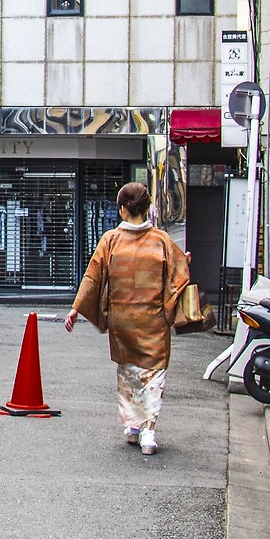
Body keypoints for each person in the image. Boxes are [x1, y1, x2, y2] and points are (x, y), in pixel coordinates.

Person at [64, 181, 192, 455]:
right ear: (147, 208)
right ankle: (148, 431)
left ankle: (133, 426)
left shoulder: (111, 240)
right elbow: (179, 274)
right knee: (153, 375)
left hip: (121, 321)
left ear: (122, 209)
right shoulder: (161, 240)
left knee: (129, 373)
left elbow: (93, 276)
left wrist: (77, 308)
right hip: (154, 321)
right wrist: (185, 262)